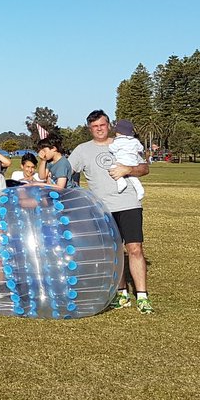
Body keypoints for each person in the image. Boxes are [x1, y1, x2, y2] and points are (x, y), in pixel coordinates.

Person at [69, 109, 153, 314]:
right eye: (95, 126)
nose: (99, 129)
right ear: (90, 129)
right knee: (114, 252)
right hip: (102, 209)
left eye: (102, 125)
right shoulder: (82, 150)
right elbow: (68, 172)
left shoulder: (123, 143)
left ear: (109, 125)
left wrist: (128, 170)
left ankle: (142, 296)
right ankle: (122, 293)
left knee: (135, 249)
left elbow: (144, 168)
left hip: (129, 204)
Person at [110, 120, 146, 199]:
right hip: (133, 162)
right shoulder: (135, 141)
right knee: (133, 178)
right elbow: (141, 148)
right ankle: (140, 191)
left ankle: (121, 181)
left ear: (118, 132)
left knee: (112, 168)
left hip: (121, 162)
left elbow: (111, 149)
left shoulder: (118, 141)